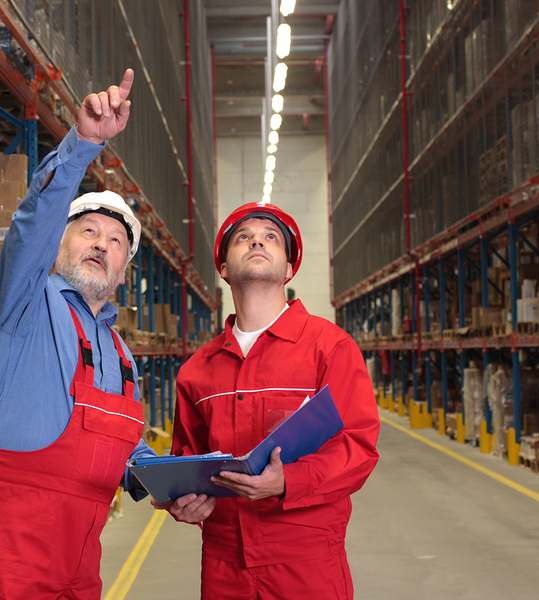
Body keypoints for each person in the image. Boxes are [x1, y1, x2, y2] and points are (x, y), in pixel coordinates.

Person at [0, 69, 156, 600]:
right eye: (87, 231)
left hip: (79, 561)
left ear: (125, 270)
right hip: (3, 558)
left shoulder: (121, 353)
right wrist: (83, 144)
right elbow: (32, 222)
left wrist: (170, 481)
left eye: (115, 241)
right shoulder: (24, 302)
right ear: (58, 246)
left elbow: (117, 448)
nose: (101, 244)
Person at [156, 202, 380, 599]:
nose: (257, 239)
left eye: (271, 238)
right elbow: (187, 459)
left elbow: (358, 449)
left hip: (306, 560)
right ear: (223, 268)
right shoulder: (197, 371)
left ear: (289, 269)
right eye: (243, 237)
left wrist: (287, 482)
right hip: (225, 563)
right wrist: (182, 502)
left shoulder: (329, 348)